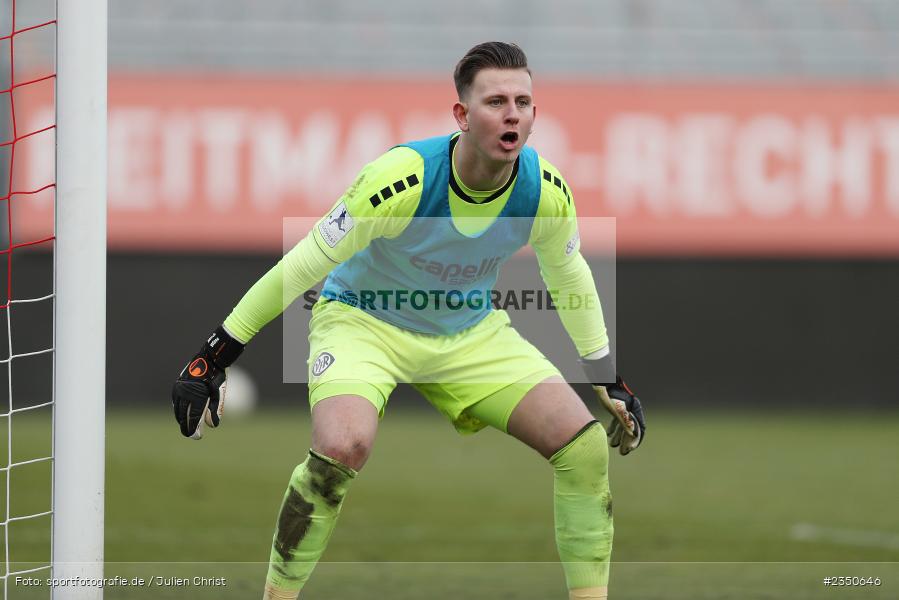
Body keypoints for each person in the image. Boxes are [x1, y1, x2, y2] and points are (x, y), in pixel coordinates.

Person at [172, 41, 646, 600]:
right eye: (495, 101)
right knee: (341, 450)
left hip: (468, 333)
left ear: (535, 114)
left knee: (583, 448)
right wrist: (213, 357)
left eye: (523, 100)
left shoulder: (544, 191)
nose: (512, 112)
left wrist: (605, 376)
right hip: (362, 325)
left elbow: (570, 278)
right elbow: (299, 266)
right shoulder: (401, 178)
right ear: (462, 116)